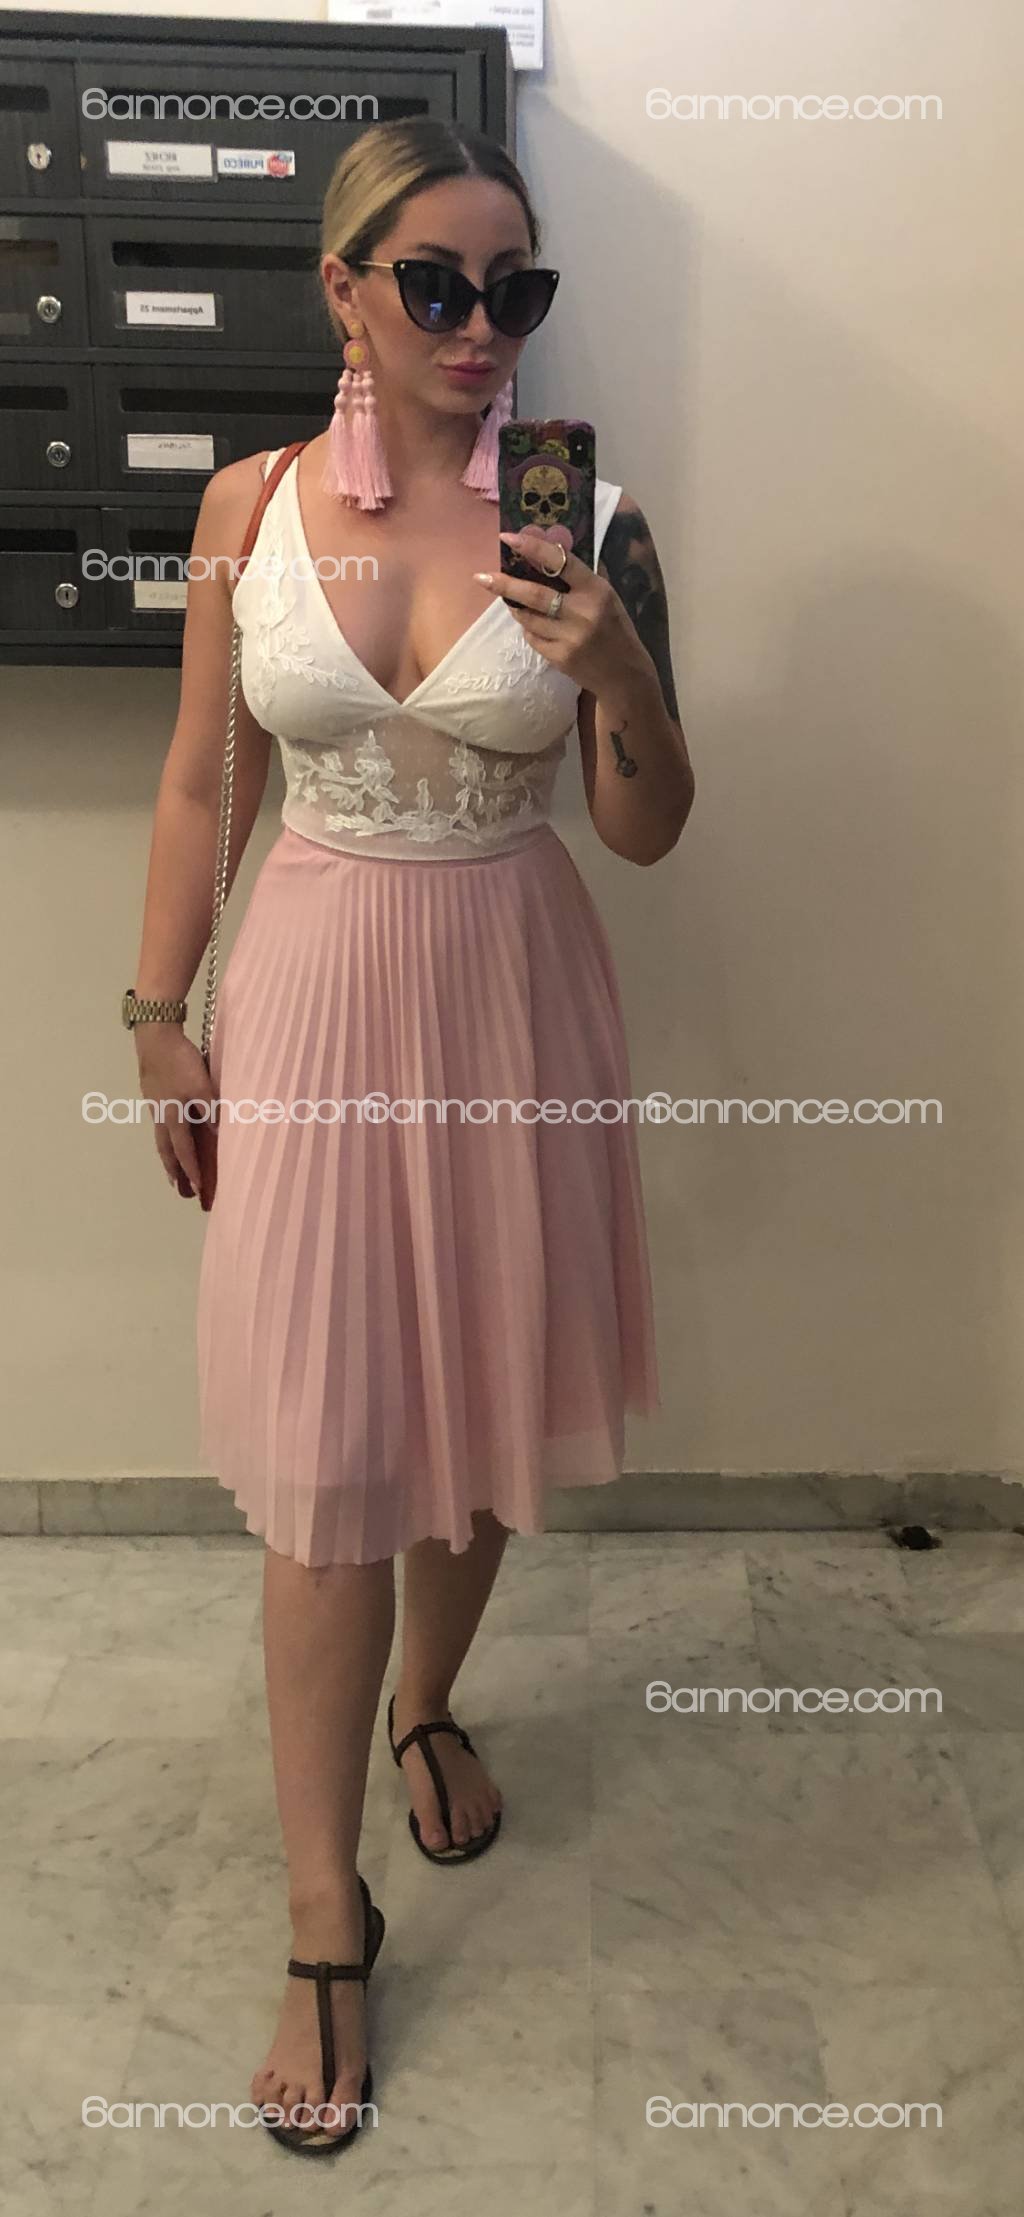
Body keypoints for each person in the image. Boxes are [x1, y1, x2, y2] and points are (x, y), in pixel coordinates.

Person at [127, 116, 693, 2156]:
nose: (480, 325)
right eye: (436, 282)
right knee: (321, 1448)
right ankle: (322, 1917)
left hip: (511, 990)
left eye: (512, 288)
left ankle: (426, 1700)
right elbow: (201, 779)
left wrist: (620, 667)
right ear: (345, 289)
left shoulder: (591, 518)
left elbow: (644, 824)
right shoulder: (249, 503)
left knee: (475, 1393)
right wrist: (157, 1013)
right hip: (308, 995)